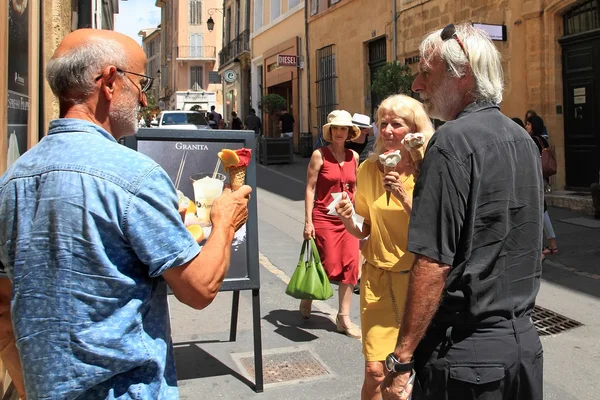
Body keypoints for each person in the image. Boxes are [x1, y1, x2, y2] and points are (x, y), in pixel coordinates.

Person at [0, 29, 251, 399]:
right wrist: (225, 221)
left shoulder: (12, 179)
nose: (144, 96)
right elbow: (199, 288)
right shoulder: (134, 175)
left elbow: (5, 310)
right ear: (110, 81)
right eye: (140, 81)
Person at [381, 23, 544, 400]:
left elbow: (433, 263)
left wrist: (401, 359)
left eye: (426, 72)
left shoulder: (450, 141)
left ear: (462, 74)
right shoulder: (522, 139)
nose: (418, 86)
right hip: (522, 348)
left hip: (466, 358)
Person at [336, 95, 434, 400]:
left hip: (416, 283)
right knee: (374, 371)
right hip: (377, 280)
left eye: (397, 124)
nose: (388, 130)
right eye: (383, 124)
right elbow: (364, 229)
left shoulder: (429, 170)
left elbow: (434, 228)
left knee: (400, 377)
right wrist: (347, 217)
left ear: (415, 129)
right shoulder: (368, 169)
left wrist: (405, 198)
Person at [303, 110, 361, 338]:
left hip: (347, 218)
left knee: (351, 265)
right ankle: (307, 295)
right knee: (326, 263)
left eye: (343, 129)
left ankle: (343, 318)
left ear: (348, 133)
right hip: (324, 217)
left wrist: (358, 213)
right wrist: (308, 221)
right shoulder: (319, 155)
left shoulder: (354, 157)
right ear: (330, 131)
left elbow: (355, 188)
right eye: (336, 128)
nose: (339, 132)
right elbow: (310, 188)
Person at [526, 114, 559, 255]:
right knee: (541, 210)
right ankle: (551, 243)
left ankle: (551, 243)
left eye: (528, 124)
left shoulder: (532, 141)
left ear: (534, 126)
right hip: (542, 179)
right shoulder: (544, 140)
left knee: (541, 211)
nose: (526, 126)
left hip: (534, 179)